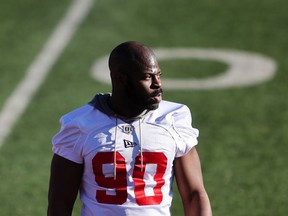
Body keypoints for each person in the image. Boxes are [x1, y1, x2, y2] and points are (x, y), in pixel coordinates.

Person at [47, 41, 212, 216]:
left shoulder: (173, 118)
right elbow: (60, 202)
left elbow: (194, 193)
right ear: (121, 79)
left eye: (159, 75)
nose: (158, 84)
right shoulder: (79, 125)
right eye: (148, 77)